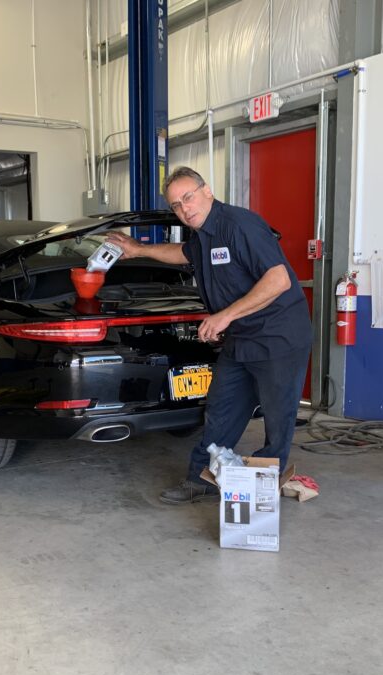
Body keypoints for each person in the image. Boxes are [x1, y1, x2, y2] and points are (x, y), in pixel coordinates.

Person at [107, 166, 311, 504]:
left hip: (278, 336)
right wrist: (138, 249)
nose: (184, 209)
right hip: (241, 337)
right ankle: (202, 479)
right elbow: (183, 255)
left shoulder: (239, 225)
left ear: (207, 191)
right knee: (221, 407)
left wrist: (223, 317)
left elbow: (279, 280)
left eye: (187, 197)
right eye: (176, 205)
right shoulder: (201, 234)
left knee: (278, 417)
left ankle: (262, 486)